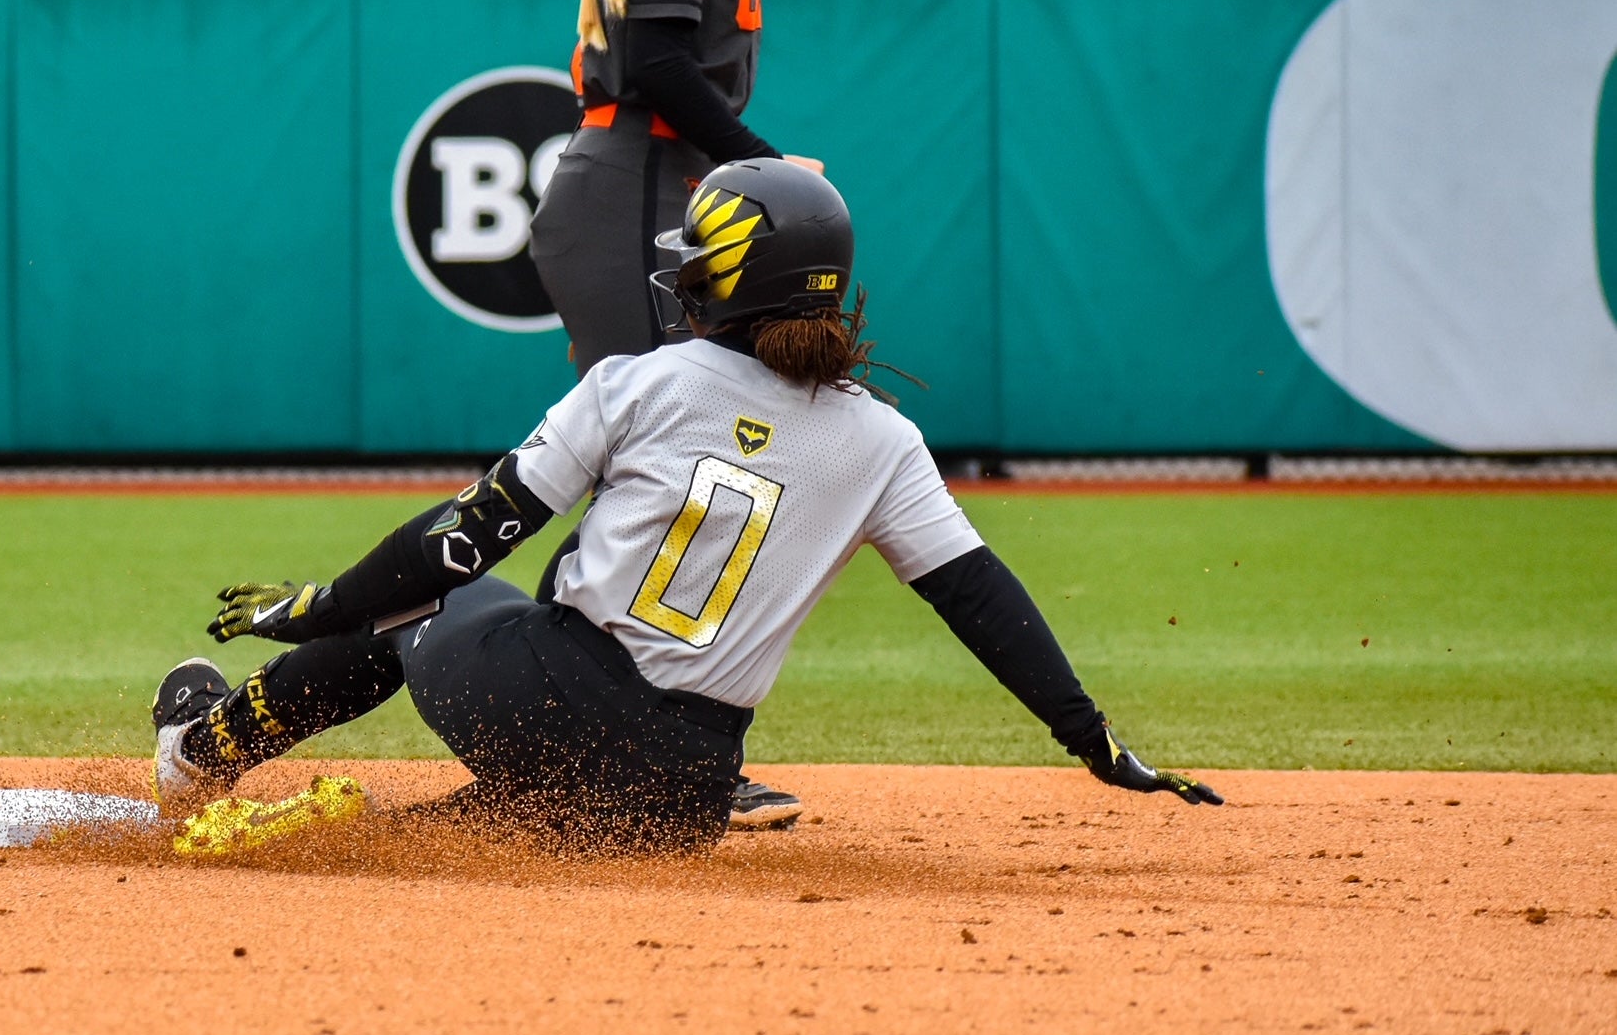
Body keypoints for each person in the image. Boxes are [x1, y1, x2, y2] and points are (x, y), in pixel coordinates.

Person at [150, 160, 1221, 851]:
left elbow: (461, 540)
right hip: (681, 797)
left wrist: (319, 604)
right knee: (517, 807)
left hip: (549, 707)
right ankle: (454, 828)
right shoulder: (884, 440)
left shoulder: (644, 381)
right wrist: (1090, 741)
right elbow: (980, 601)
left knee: (437, 599)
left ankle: (199, 755)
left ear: (726, 282)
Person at [527, 0, 829, 832]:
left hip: (647, 192)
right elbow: (656, 64)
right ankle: (616, 755)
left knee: (660, 479)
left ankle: (594, 751)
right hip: (638, 195)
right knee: (668, 474)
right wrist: (768, 169)